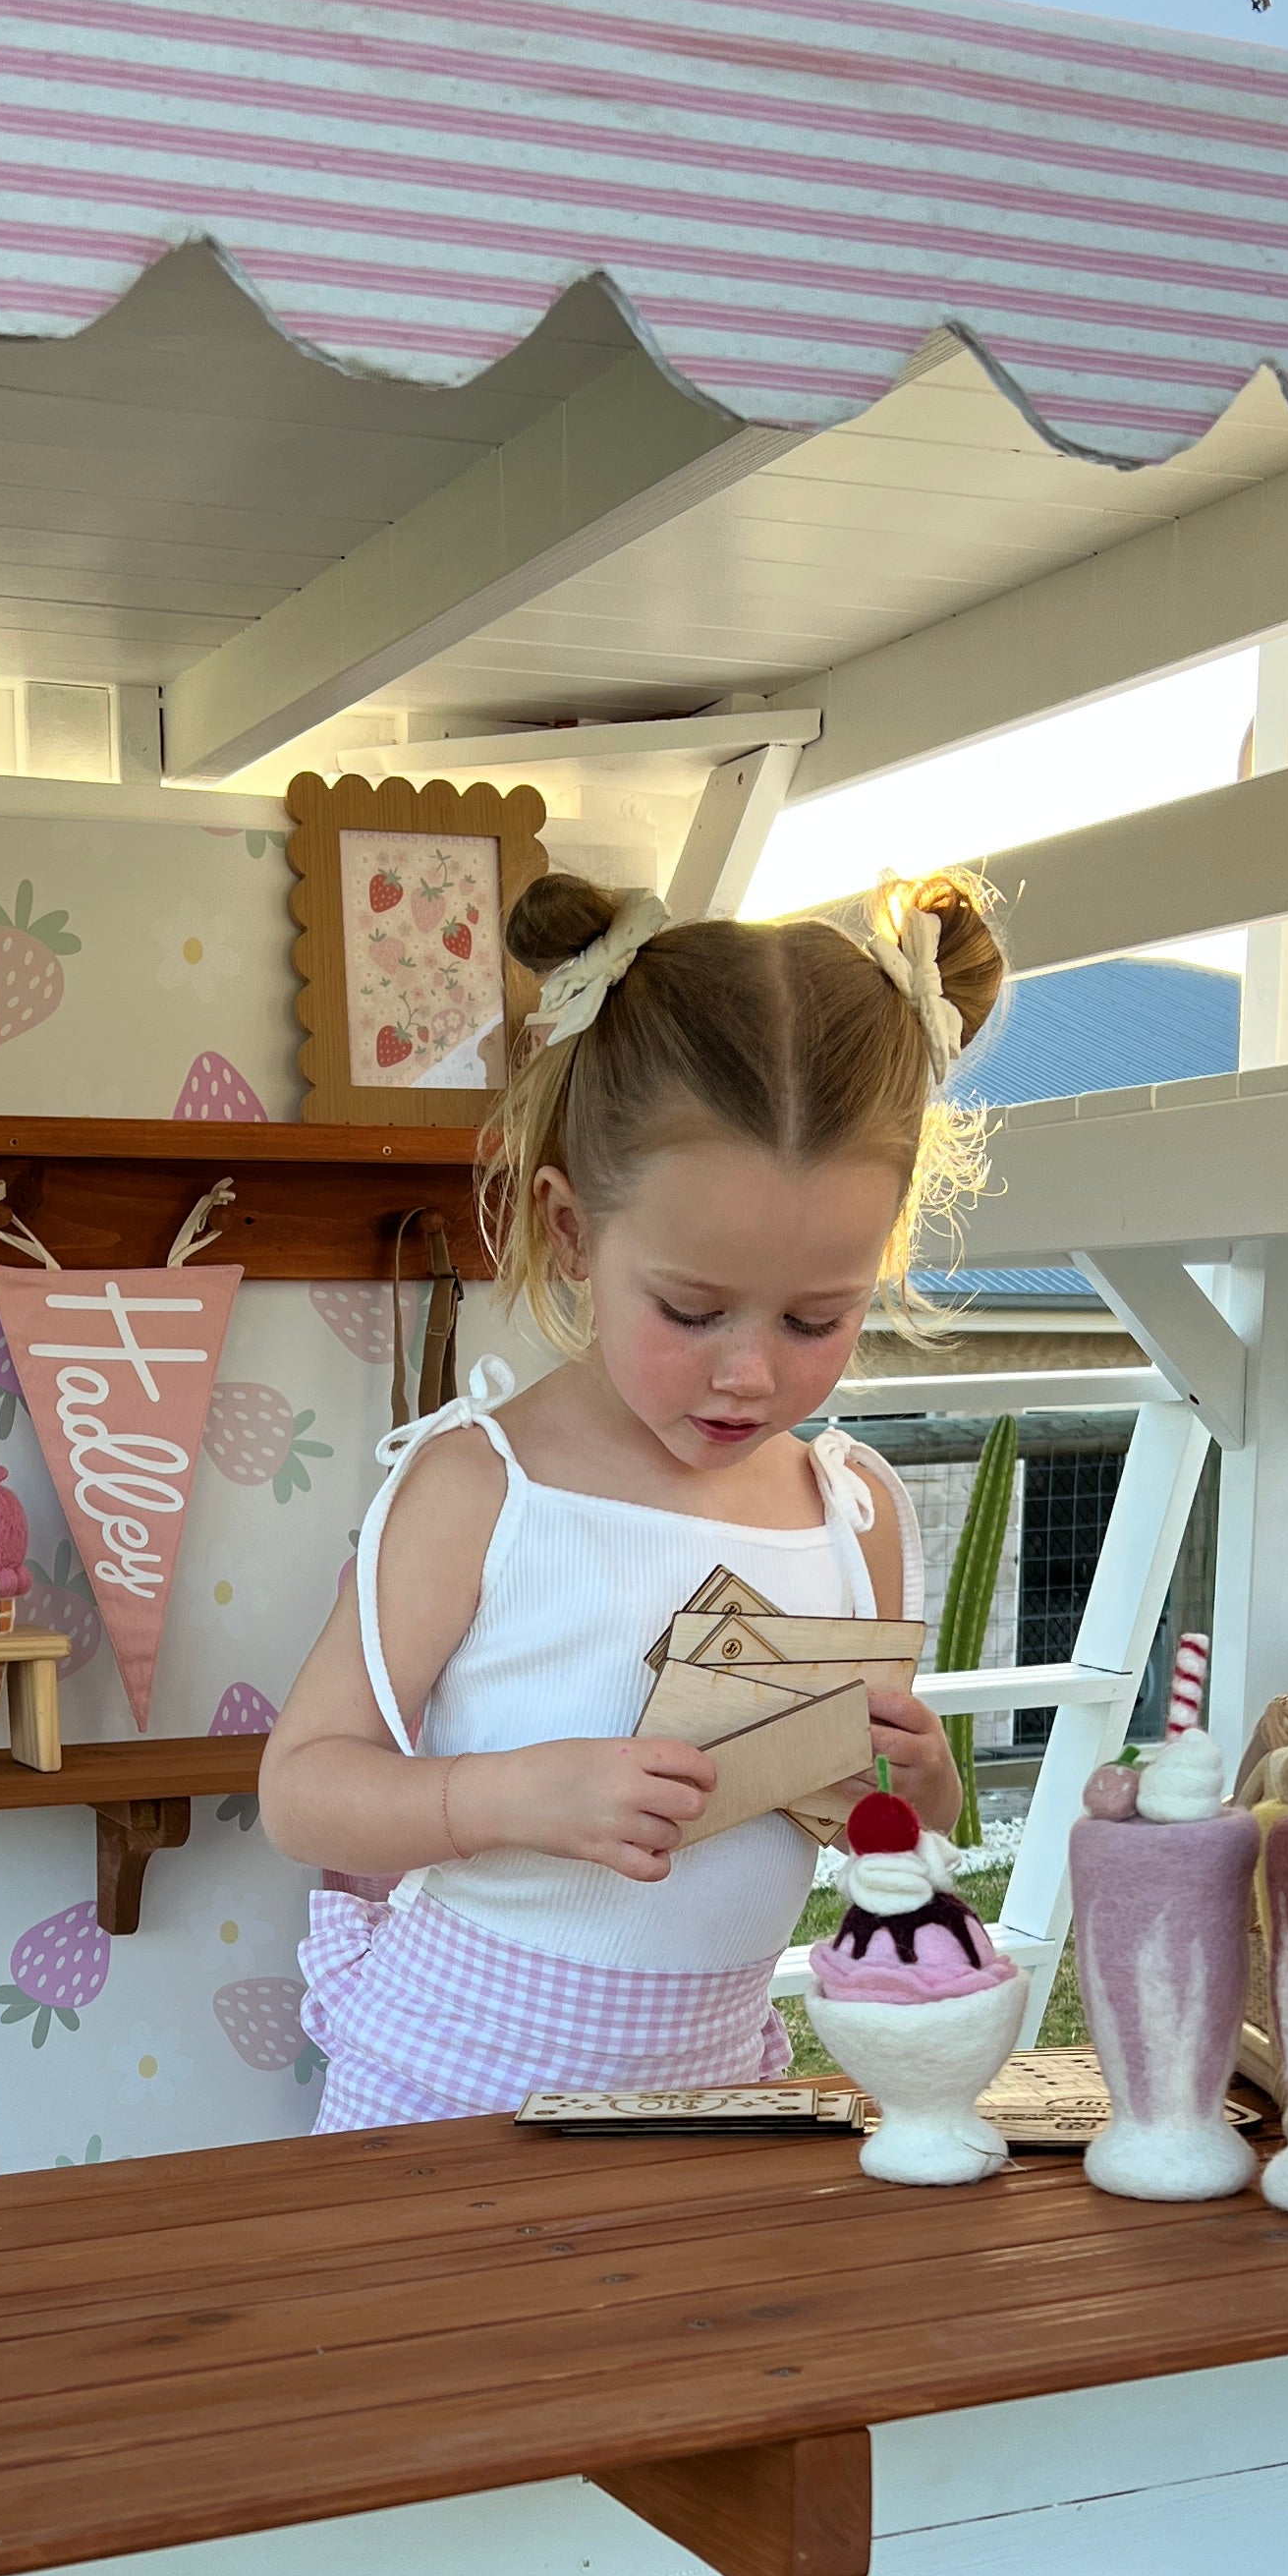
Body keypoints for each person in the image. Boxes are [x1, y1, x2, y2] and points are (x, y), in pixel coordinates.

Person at [260, 867, 1009, 2134]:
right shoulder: (479, 1487)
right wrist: (500, 1798)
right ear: (567, 1230)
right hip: (447, 2095)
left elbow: (872, 1829)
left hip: (718, 2094)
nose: (750, 1371)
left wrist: (916, 1782)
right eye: (692, 1309)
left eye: (818, 1317)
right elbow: (302, 1791)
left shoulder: (854, 1512)